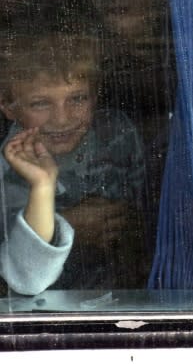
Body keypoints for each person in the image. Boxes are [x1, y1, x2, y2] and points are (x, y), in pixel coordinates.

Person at [0, 29, 148, 294]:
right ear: (8, 106)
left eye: (77, 98)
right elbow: (27, 279)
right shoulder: (6, 171)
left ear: (96, 94)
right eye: (40, 103)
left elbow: (143, 222)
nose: (62, 118)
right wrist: (48, 194)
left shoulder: (118, 135)